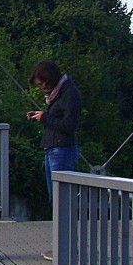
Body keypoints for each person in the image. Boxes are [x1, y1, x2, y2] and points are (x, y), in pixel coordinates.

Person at [27, 60, 82, 206]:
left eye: (41, 84)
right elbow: (58, 119)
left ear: (48, 79)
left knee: (61, 199)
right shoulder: (60, 94)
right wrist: (41, 116)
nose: (42, 88)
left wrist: (45, 118)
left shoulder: (70, 94)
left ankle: (65, 221)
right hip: (54, 149)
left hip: (61, 150)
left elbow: (68, 125)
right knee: (56, 198)